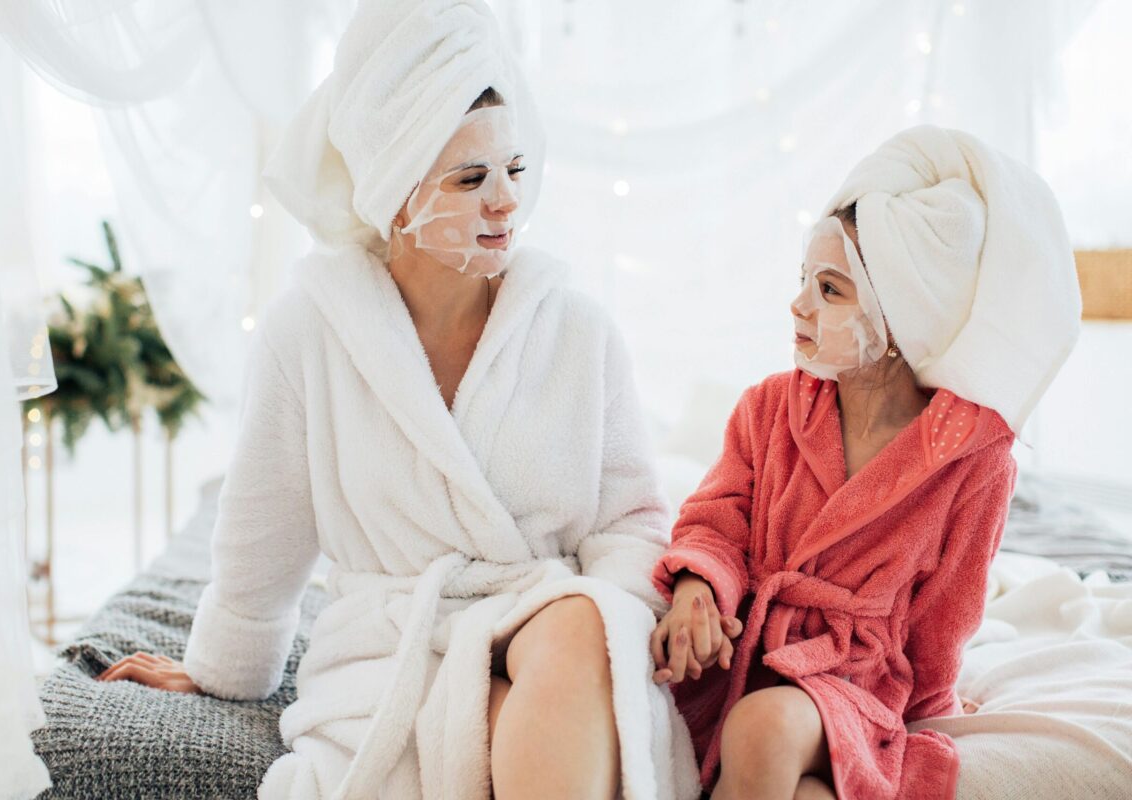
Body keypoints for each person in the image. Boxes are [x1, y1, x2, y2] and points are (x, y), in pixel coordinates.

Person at [96, 1, 700, 798]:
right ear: (397, 191)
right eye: (471, 178)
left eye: (515, 171)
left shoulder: (577, 328)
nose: (506, 203)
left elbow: (629, 522)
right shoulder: (309, 332)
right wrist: (220, 669)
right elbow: (262, 536)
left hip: (551, 621)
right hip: (395, 645)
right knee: (486, 728)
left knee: (584, 623)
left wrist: (625, 621)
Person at [648, 124, 1081, 800]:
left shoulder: (973, 461)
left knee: (762, 729)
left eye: (830, 291)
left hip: (856, 684)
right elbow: (716, 521)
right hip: (746, 652)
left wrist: (928, 710)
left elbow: (944, 620)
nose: (798, 305)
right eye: (803, 281)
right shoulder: (769, 408)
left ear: (897, 323)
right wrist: (699, 589)